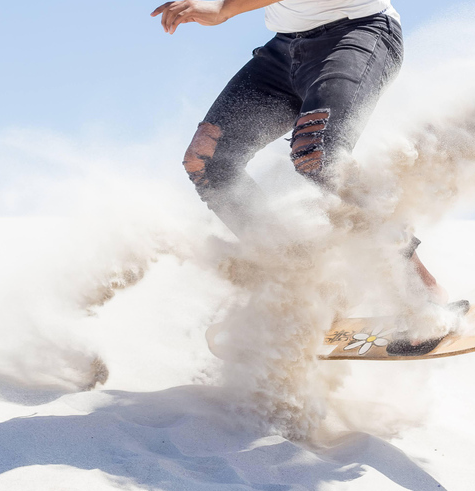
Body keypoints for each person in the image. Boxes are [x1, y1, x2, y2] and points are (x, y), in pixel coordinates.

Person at [151, 0, 451, 352]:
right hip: (284, 49)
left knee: (319, 155)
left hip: (357, 32)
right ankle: (308, 282)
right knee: (208, 163)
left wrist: (223, 8)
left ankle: (419, 289)